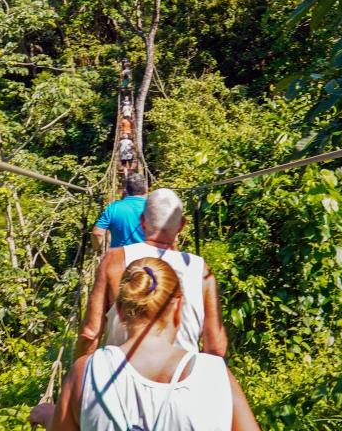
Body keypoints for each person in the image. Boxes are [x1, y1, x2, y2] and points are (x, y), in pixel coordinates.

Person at [31, 259, 259, 430]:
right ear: (178, 307)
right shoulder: (214, 374)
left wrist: (48, 416)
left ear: (119, 311)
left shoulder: (85, 372)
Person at [80, 188, 226, 359]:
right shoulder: (200, 269)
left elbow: (90, 333)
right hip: (181, 378)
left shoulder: (114, 259)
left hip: (120, 377)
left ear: (142, 222)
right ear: (182, 225)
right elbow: (215, 347)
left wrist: (80, 375)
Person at [91, 173, 147, 253]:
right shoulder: (153, 207)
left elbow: (97, 233)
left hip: (119, 259)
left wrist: (97, 249)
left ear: (126, 190)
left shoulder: (113, 207)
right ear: (145, 189)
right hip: (146, 259)